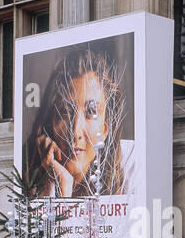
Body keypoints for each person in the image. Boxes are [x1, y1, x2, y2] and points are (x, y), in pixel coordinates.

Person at [24, 46, 127, 197]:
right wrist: (57, 184)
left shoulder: (132, 164)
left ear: (106, 128)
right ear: (50, 123)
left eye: (91, 112)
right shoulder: (27, 175)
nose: (75, 132)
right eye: (65, 112)